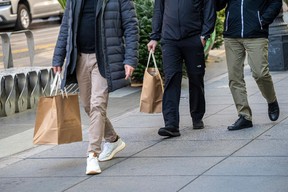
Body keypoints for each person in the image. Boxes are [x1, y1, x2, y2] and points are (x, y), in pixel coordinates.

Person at [52, 0, 139, 174]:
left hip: (103, 59)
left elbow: (131, 26)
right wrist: (58, 57)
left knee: (98, 104)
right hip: (80, 58)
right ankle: (112, 139)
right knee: (88, 106)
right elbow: (66, 27)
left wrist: (130, 59)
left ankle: (92, 155)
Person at [147, 0, 216, 137]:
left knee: (196, 78)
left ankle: (197, 116)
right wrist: (154, 37)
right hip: (170, 40)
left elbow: (209, 7)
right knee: (171, 79)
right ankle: (171, 124)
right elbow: (158, 10)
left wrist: (204, 35)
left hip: (193, 38)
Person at [216, 0, 282, 131]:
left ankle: (271, 100)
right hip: (232, 34)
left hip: (256, 34)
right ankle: (244, 116)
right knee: (234, 77)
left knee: (260, 73)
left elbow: (276, 2)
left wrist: (262, 21)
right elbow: (218, 6)